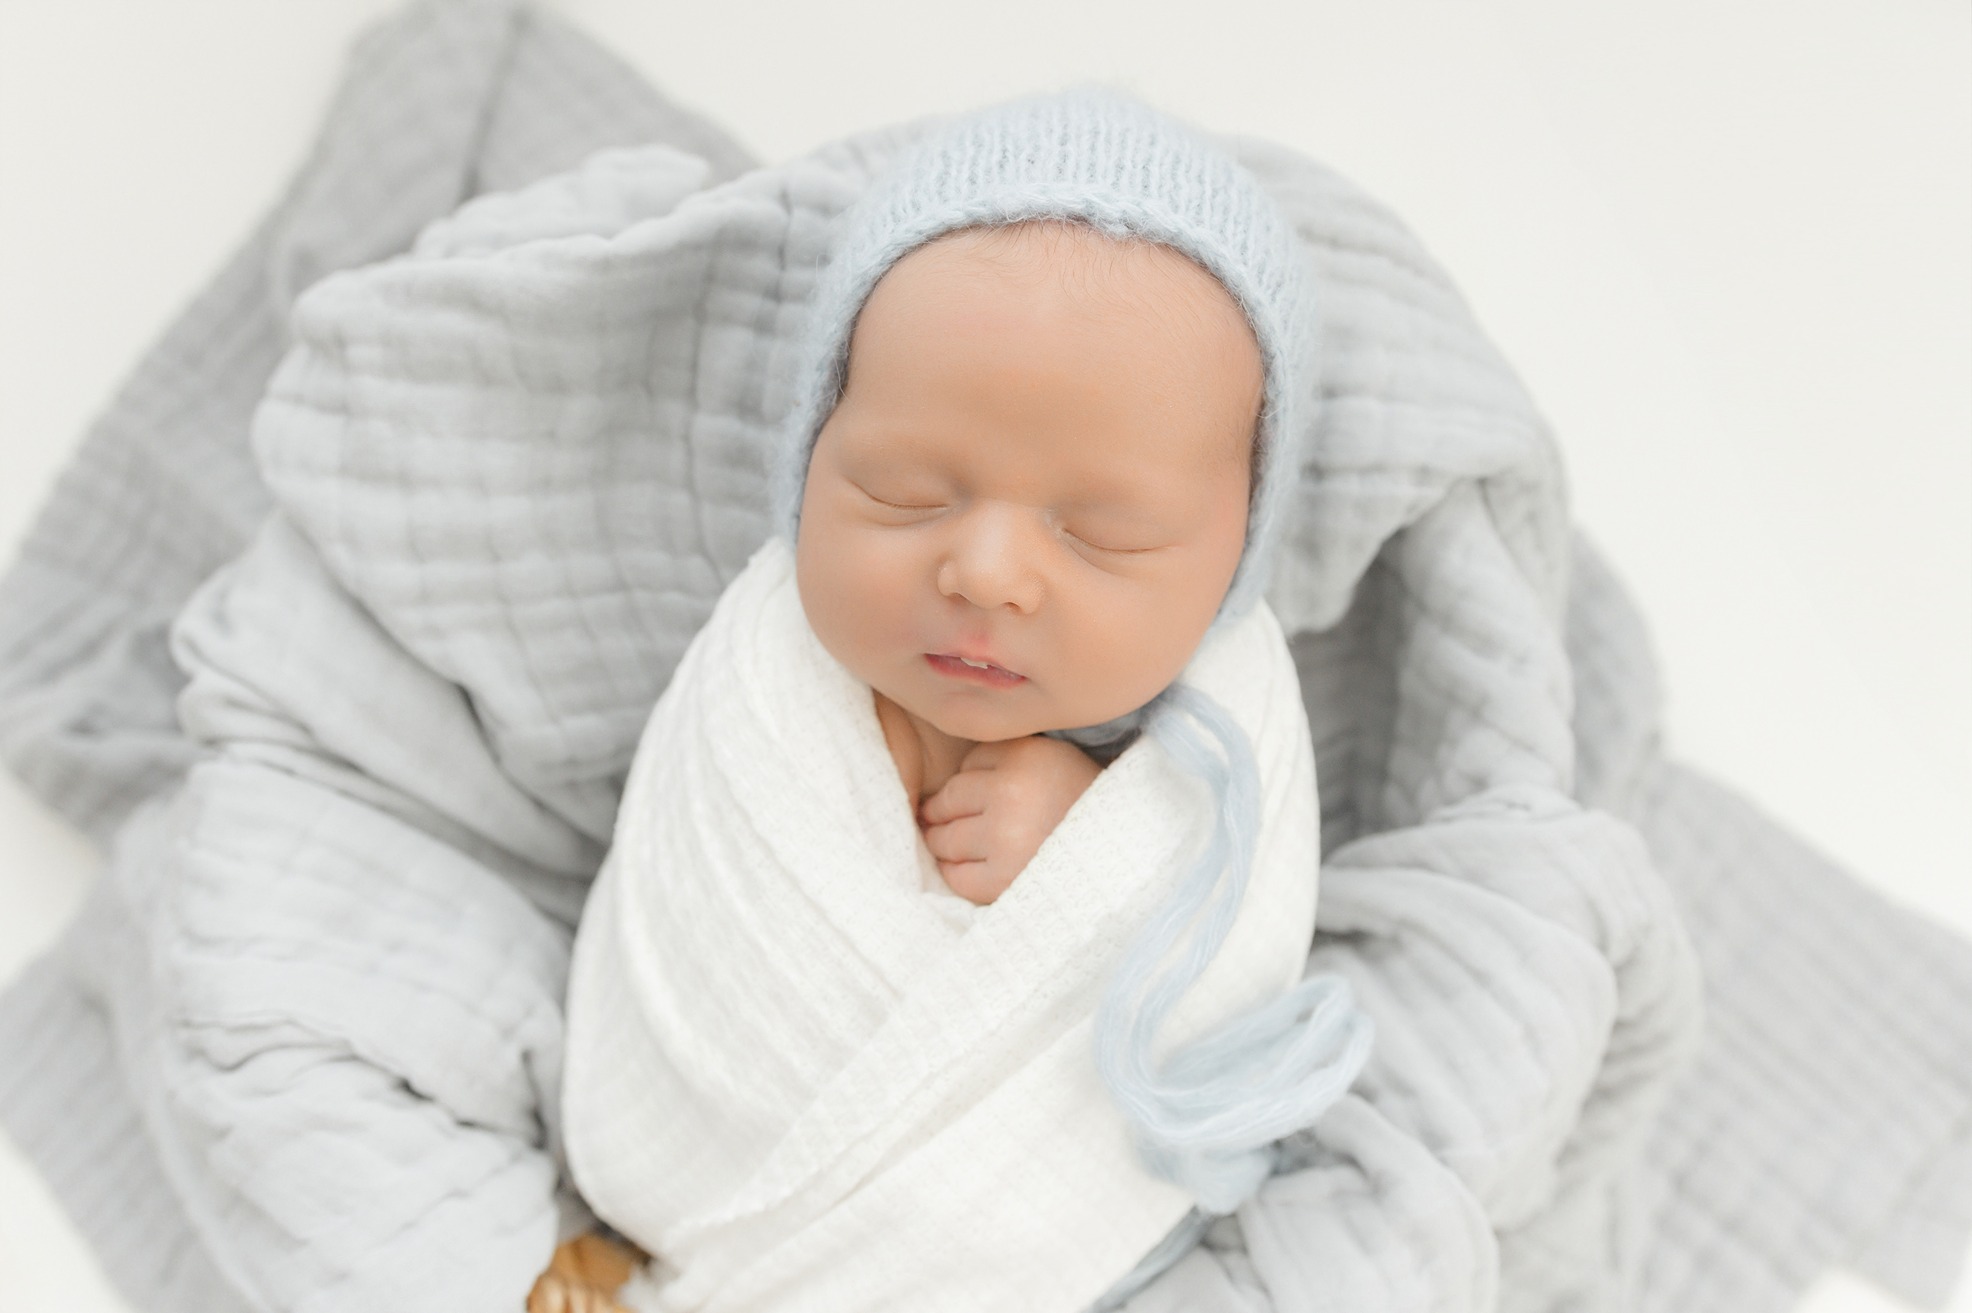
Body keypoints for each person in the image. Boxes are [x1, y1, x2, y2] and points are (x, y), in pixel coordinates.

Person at [540, 91, 1367, 1313]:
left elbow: (1219, 967)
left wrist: (1097, 839)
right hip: (697, 1152)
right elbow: (689, 920)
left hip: (1026, 1230)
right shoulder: (768, 677)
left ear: (1230, 563)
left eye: (1103, 532)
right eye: (905, 488)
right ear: (812, 459)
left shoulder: (1222, 740)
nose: (983, 572)